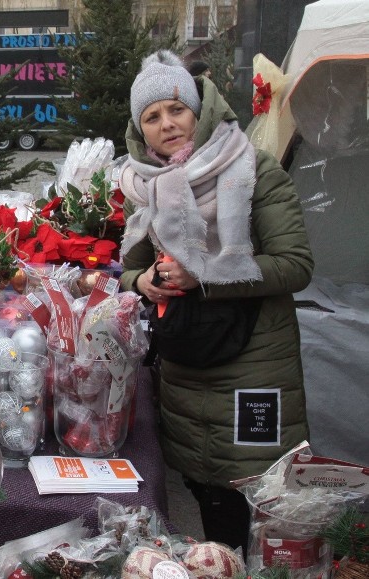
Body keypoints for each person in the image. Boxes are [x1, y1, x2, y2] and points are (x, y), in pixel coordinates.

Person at [119, 50, 313, 552]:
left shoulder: (254, 169)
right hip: (186, 366)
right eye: (152, 117)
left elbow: (295, 265)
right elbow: (131, 267)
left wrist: (204, 274)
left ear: (198, 109)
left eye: (176, 109)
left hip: (251, 366)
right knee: (209, 497)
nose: (168, 124)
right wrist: (144, 282)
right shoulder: (148, 186)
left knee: (259, 506)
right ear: (141, 130)